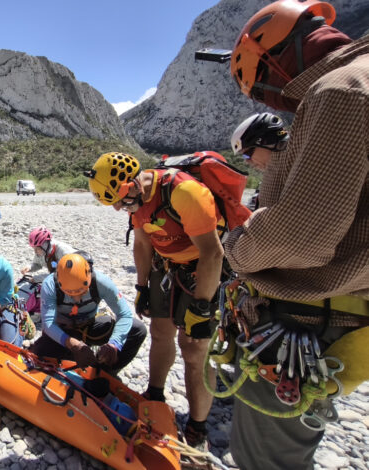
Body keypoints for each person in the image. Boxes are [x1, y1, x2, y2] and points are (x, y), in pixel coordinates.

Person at [222, 1, 368, 468]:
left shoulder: (340, 90)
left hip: (302, 323)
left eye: (264, 90)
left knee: (267, 462)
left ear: (270, 60)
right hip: (342, 315)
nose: (273, 102)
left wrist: (238, 248)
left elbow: (302, 234)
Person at [85, 151, 225, 450]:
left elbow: (213, 254)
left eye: (121, 200)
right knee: (161, 334)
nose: (119, 208)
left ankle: (198, 425)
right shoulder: (136, 202)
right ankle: (155, 394)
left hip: (201, 271)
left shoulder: (186, 193)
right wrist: (141, 287)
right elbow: (142, 244)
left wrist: (202, 306)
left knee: (194, 346)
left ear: (133, 182)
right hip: (166, 269)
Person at [29, 253, 147, 376]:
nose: (77, 299)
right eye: (69, 293)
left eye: (81, 291)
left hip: (90, 325)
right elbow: (48, 324)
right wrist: (73, 344)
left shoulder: (101, 282)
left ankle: (105, 373)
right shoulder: (50, 285)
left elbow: (124, 314)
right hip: (63, 330)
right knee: (39, 357)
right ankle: (73, 359)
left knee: (138, 330)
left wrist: (114, 344)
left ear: (89, 277)